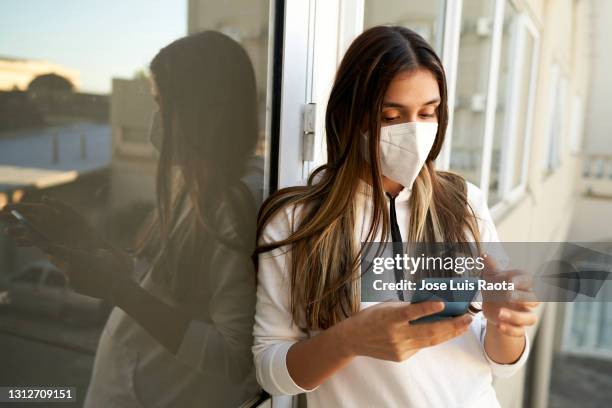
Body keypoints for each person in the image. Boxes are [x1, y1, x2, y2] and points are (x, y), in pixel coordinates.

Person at [252, 25, 539, 407]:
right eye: (391, 116)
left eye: (428, 112)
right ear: (348, 116)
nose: (415, 131)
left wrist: (507, 325)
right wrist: (349, 339)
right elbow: (270, 370)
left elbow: (500, 362)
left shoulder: (463, 202)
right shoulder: (298, 221)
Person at [1, 31, 261, 407]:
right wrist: (90, 241)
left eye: (162, 103)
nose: (155, 121)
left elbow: (234, 356)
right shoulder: (197, 183)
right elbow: (170, 285)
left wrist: (119, 291)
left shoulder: (238, 202)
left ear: (200, 109)